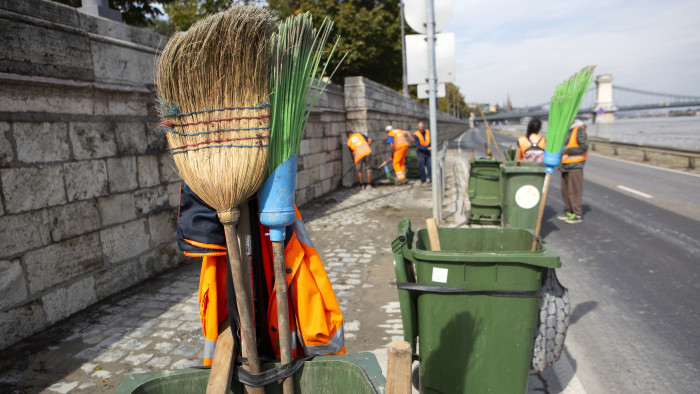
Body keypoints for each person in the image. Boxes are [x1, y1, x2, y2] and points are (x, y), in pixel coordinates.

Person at [557, 119, 589, 224]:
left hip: (575, 165)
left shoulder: (579, 129)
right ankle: (570, 211)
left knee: (574, 191)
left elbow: (584, 146)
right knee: (565, 191)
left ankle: (577, 213)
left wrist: (565, 150)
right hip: (565, 165)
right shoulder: (567, 130)